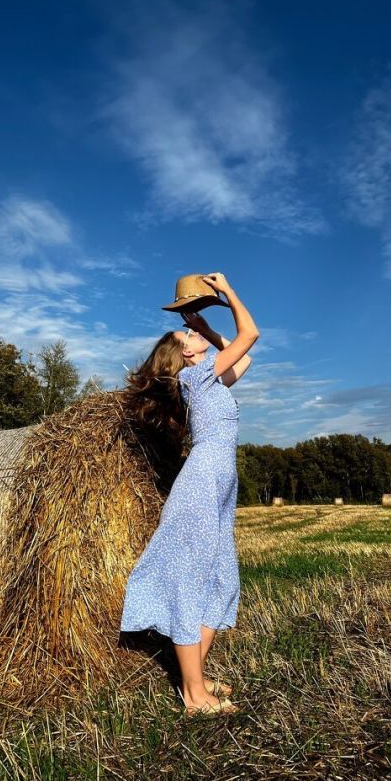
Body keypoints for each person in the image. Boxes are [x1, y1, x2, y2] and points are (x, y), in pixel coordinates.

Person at [120, 272, 259, 717]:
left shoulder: (210, 380)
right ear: (184, 353)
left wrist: (205, 330)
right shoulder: (195, 380)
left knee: (222, 579)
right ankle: (193, 696)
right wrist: (228, 292)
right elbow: (251, 335)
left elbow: (245, 360)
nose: (190, 330)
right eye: (185, 332)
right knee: (189, 581)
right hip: (203, 480)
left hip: (221, 482)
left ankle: (194, 673)